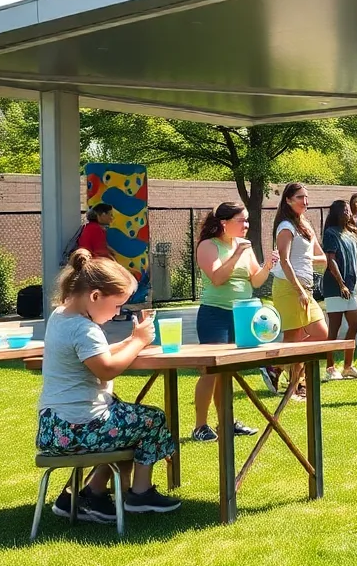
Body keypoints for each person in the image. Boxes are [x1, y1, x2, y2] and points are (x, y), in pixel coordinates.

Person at [36, 249, 181, 520]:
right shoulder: (84, 329)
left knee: (126, 419)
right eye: (117, 306)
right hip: (79, 426)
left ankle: (89, 495)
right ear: (95, 296)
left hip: (54, 425)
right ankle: (139, 494)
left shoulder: (61, 317)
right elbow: (106, 370)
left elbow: (93, 355)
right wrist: (138, 342)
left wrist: (129, 341)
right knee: (152, 420)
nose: (117, 314)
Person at [191, 201, 277, 442]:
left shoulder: (244, 246)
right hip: (214, 314)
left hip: (241, 316)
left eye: (247, 220)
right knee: (211, 372)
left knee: (227, 372)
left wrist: (268, 265)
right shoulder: (208, 246)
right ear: (224, 223)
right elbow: (217, 278)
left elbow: (256, 281)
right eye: (242, 220)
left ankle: (226, 422)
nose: (246, 225)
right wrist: (237, 253)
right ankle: (200, 426)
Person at [260, 182, 329, 403]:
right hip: (289, 287)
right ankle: (295, 385)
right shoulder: (286, 226)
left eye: (306, 197)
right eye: (300, 197)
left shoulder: (305, 226)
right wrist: (299, 290)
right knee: (302, 336)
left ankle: (277, 367)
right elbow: (285, 260)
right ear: (288, 200)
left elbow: (322, 258)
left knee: (309, 336)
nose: (305, 201)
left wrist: (309, 260)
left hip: (304, 287)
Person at [322, 200, 357, 381]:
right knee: (334, 327)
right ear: (336, 213)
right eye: (344, 210)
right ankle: (330, 367)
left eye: (348, 210)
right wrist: (341, 284)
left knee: (355, 323)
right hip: (335, 287)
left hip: (352, 286)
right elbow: (330, 260)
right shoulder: (330, 234)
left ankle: (348, 366)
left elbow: (356, 260)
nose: (348, 213)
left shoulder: (351, 234)